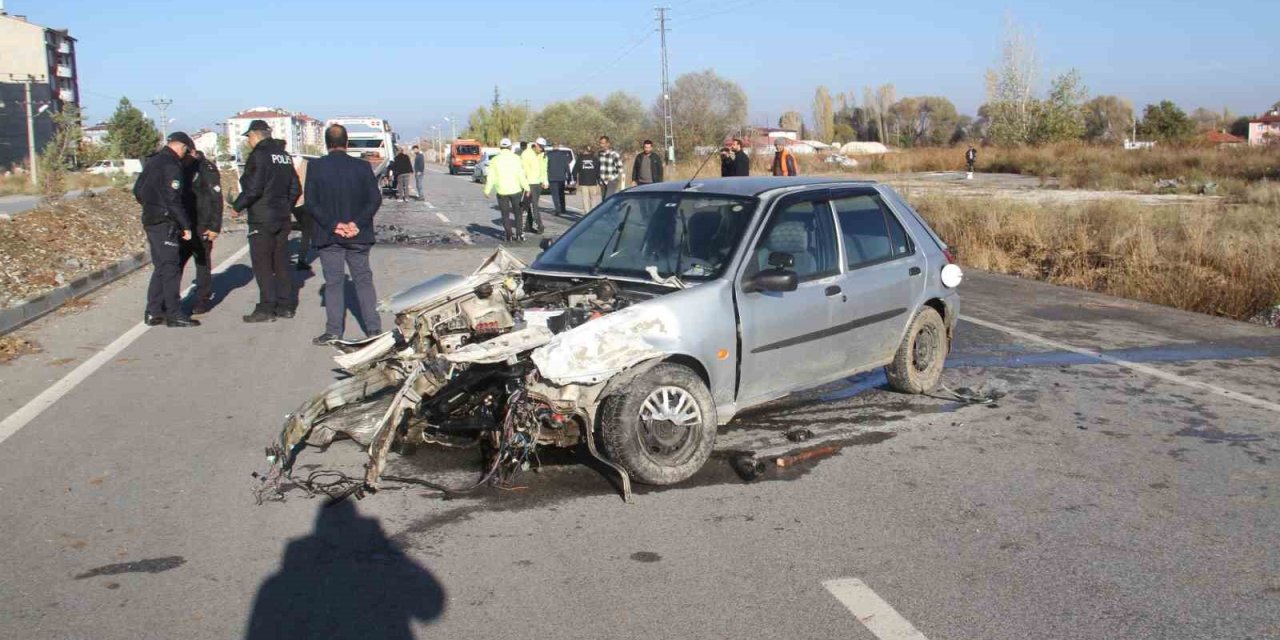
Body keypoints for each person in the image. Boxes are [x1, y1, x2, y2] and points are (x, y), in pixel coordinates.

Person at [305, 124, 384, 345]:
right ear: (347, 143)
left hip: (329, 236)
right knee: (363, 280)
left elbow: (311, 203)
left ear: (326, 143)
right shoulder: (362, 167)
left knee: (333, 282)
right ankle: (374, 329)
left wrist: (334, 225)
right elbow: (374, 199)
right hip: (358, 235)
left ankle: (333, 332)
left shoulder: (316, 167)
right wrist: (356, 224)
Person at [231, 119, 301, 323]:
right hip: (282, 217)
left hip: (262, 219)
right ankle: (286, 305)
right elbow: (296, 188)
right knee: (281, 262)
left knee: (262, 264)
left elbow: (253, 188)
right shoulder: (284, 156)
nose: (248, 141)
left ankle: (266, 307)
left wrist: (237, 206)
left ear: (255, 134)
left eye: (248, 137)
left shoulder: (259, 156)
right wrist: (285, 207)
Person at [133, 132, 199, 327]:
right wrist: (185, 225)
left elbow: (137, 190)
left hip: (151, 219)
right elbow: (173, 199)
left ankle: (154, 311)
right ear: (182, 147)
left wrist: (151, 206)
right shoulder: (171, 165)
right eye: (185, 151)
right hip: (165, 222)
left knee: (161, 266)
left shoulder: (153, 162)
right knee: (170, 268)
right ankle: (174, 313)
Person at [178, 149, 223, 314]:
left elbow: (216, 198)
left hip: (202, 223)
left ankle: (202, 299)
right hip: (184, 223)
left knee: (202, 263)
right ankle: (170, 300)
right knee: (176, 263)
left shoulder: (206, 168)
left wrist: (214, 226)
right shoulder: (179, 166)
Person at [484, 138, 530, 242]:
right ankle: (519, 235)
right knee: (518, 213)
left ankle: (508, 234)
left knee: (505, 214)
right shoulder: (516, 158)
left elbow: (491, 176)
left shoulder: (495, 160)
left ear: (500, 147)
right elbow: (521, 175)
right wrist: (527, 188)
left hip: (502, 191)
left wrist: (487, 190)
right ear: (510, 147)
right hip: (516, 190)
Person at [520, 137, 549, 233]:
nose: (541, 149)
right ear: (535, 144)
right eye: (540, 146)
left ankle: (531, 225)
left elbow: (544, 169)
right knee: (530, 205)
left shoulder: (543, 155)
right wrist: (525, 185)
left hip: (538, 183)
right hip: (529, 183)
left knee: (532, 205)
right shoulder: (526, 154)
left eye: (543, 147)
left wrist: (545, 181)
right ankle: (538, 225)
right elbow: (523, 170)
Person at [291, 155, 313, 270]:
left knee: (304, 226)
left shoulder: (286, 164)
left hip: (291, 203)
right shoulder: (306, 164)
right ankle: (301, 261)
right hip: (303, 201)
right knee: (307, 230)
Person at [545, 142, 572, 217]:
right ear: (558, 147)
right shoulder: (564, 155)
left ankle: (558, 210)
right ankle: (563, 208)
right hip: (561, 177)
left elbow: (546, 166)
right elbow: (567, 167)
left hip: (552, 177)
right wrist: (569, 177)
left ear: (553, 147)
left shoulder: (549, 155)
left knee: (555, 195)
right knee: (561, 194)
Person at [575, 145, 600, 212]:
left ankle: (587, 213)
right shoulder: (595, 159)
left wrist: (575, 180)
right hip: (593, 182)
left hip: (583, 182)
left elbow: (574, 171)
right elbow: (598, 171)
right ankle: (593, 213)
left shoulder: (580, 159)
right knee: (593, 199)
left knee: (585, 199)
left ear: (584, 151)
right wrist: (598, 180)